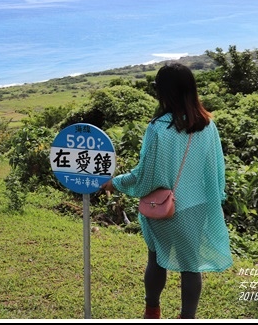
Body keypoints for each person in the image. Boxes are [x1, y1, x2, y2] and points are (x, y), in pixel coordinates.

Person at [100, 62, 233, 319]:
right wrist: (216, 197)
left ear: (163, 91)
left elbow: (146, 175)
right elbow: (216, 168)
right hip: (198, 206)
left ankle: (152, 311)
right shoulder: (207, 124)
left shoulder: (159, 128)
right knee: (191, 267)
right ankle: (187, 317)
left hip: (165, 207)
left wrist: (114, 183)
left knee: (156, 259)